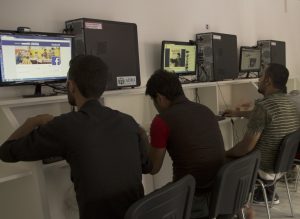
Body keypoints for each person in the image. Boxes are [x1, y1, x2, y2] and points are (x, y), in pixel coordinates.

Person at [0, 55, 152, 219]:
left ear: (71, 86)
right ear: (103, 87)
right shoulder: (128, 121)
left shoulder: (65, 126)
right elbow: (147, 166)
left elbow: (6, 152)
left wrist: (33, 121)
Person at [143, 69, 225, 218]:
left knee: (141, 209)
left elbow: (153, 168)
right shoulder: (206, 110)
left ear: (160, 98)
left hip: (190, 199)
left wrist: (142, 139)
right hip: (219, 195)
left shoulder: (161, 121)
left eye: (154, 101)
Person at [224, 63, 300, 204]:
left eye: (261, 76)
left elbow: (245, 148)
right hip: (282, 166)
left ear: (268, 81)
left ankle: (230, 205)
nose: (259, 80)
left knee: (224, 161)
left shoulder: (263, 107)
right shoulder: (289, 102)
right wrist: (238, 113)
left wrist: (225, 153)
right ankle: (264, 195)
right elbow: (263, 116)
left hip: (264, 169)